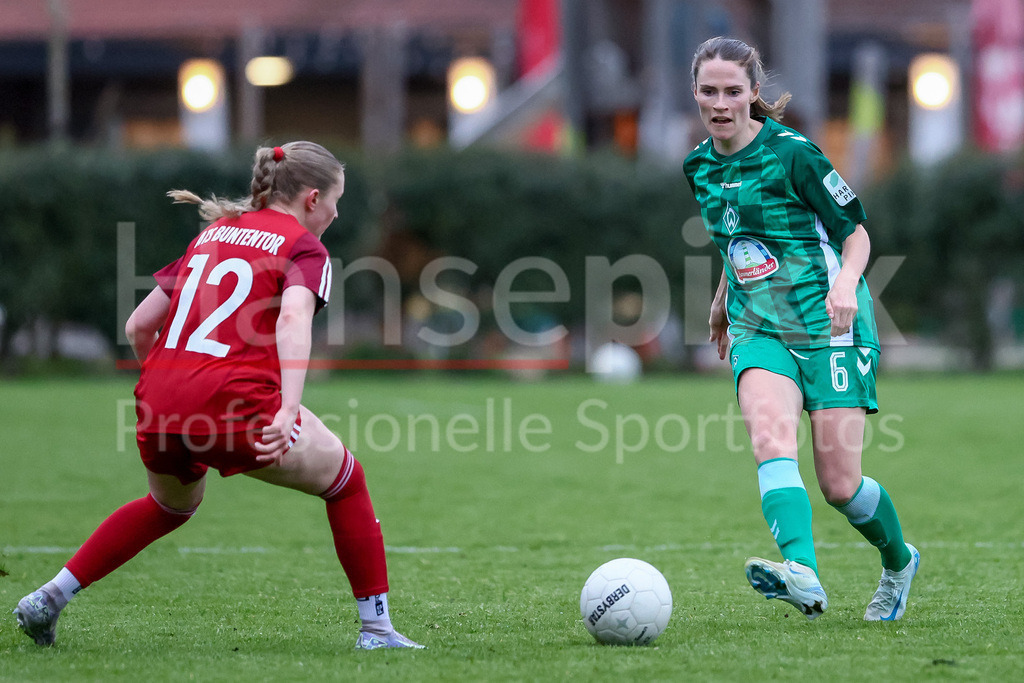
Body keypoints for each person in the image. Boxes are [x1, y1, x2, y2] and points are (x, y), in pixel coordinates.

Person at [13, 141, 424, 650]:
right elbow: (294, 318)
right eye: (338, 200)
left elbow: (139, 325)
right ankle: (378, 631)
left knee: (168, 506)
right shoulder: (303, 247)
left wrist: (175, 393)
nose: (338, 212)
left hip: (158, 401)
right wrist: (288, 407)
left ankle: (48, 599)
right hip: (235, 406)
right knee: (346, 481)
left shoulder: (211, 234)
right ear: (313, 198)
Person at [683, 37, 919, 621]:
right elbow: (737, 241)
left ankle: (898, 562)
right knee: (770, 439)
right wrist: (720, 301)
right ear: (696, 94)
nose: (720, 102)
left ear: (753, 94)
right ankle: (805, 575)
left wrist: (845, 285)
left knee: (840, 484)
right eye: (709, 91)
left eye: (732, 91)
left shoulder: (795, 155)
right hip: (757, 325)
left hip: (830, 324)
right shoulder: (698, 166)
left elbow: (855, 233)